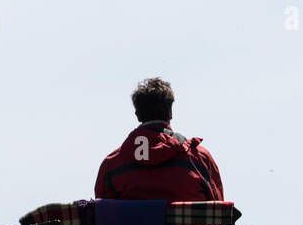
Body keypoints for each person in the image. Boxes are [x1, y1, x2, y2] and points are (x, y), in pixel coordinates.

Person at [94, 77, 225, 202]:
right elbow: (219, 212)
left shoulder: (111, 165)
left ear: (138, 115)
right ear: (170, 114)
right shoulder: (200, 158)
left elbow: (104, 216)